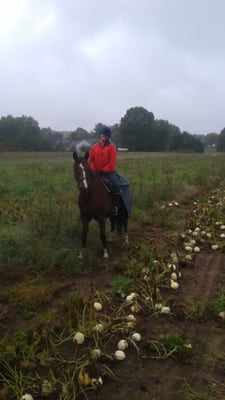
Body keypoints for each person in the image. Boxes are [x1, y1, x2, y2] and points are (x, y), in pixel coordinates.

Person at [88, 126, 121, 215]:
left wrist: (103, 170)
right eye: (103, 134)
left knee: (116, 184)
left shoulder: (112, 147)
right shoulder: (94, 147)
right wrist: (94, 170)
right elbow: (90, 160)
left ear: (108, 137)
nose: (104, 136)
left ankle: (115, 206)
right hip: (95, 172)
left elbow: (112, 161)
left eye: (106, 135)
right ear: (100, 135)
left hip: (109, 171)